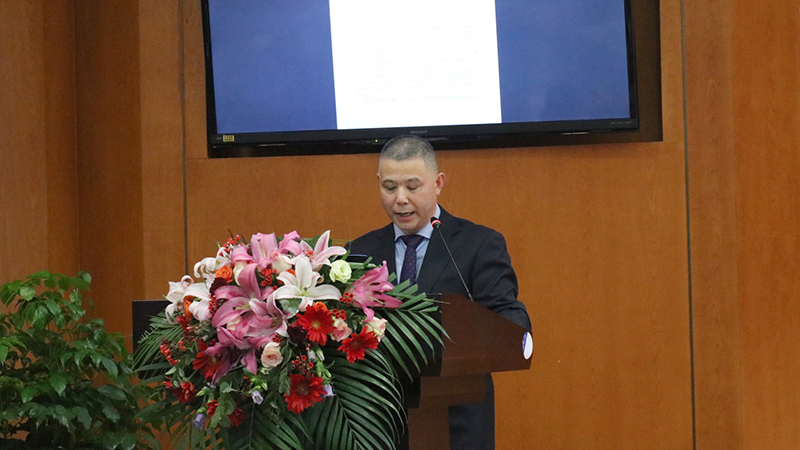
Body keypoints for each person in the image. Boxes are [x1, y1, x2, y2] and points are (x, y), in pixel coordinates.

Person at [348, 135, 531, 450]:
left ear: (438, 183)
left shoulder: (478, 244)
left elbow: (510, 320)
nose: (400, 199)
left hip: (458, 426)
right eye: (389, 188)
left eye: (412, 187)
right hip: (378, 426)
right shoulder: (359, 252)